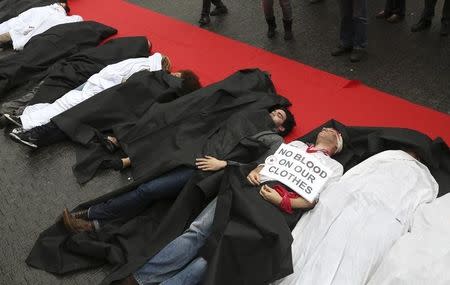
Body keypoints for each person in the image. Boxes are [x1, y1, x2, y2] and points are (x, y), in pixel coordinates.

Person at [114, 127, 343, 285]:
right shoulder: (297, 145)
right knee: (199, 231)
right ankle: (141, 279)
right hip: (248, 189)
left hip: (273, 210)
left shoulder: (334, 167)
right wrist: (255, 171)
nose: (327, 129)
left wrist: (283, 200)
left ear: (337, 144)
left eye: (333, 132)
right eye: (325, 128)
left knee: (219, 250)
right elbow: (269, 163)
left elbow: (313, 199)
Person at [61, 108, 297, 233]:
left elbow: (261, 167)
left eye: (279, 115)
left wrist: (224, 165)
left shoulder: (275, 141)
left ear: (282, 127)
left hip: (209, 172)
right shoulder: (252, 116)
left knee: (149, 192)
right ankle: (96, 223)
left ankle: (92, 215)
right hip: (195, 154)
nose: (274, 113)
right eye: (275, 110)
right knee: (153, 197)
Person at [274, 148, 438, 285]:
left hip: (378, 213)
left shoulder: (415, 172)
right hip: (361, 205)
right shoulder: (417, 174)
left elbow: (354, 174)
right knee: (338, 250)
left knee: (347, 253)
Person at [8, 69, 201, 149]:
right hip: (124, 113)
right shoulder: (173, 96)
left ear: (180, 76)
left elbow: (134, 79)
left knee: (76, 115)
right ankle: (35, 134)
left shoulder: (159, 75)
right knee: (80, 121)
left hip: (113, 99)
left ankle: (35, 135)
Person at [5, 52, 171, 131]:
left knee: (62, 102)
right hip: (99, 90)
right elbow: (126, 85)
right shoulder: (146, 71)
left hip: (94, 81)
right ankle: (25, 122)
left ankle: (23, 117)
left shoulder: (141, 61)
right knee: (64, 108)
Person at [0, 1, 83, 50]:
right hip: (28, 42)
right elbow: (78, 19)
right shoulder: (63, 18)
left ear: (63, 4)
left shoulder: (48, 10)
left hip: (17, 31)